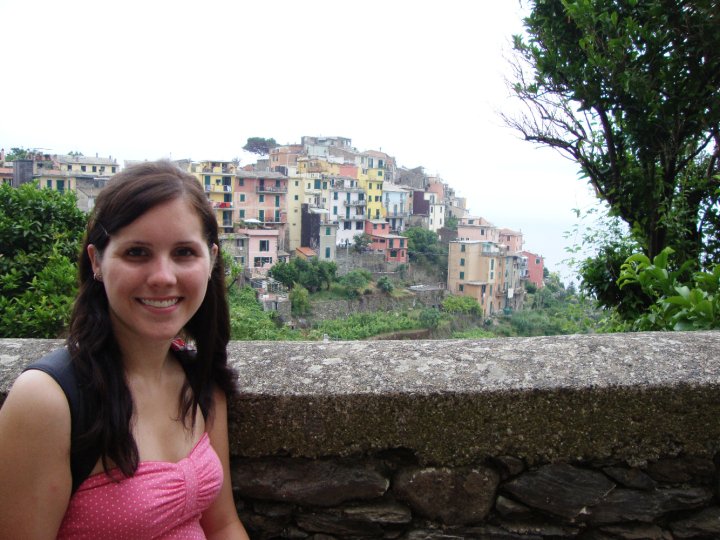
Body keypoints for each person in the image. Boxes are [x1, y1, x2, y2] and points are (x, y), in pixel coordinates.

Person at [0, 161, 250, 539]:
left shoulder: (200, 385)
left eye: (184, 252)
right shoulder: (47, 403)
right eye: (136, 253)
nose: (163, 276)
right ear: (97, 261)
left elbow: (223, 525)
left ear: (212, 259)